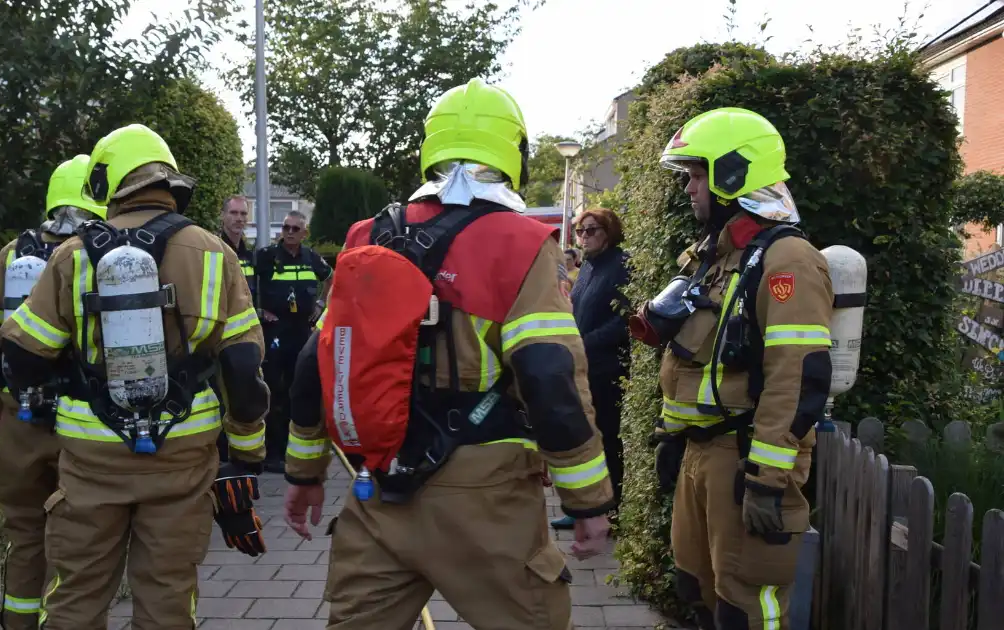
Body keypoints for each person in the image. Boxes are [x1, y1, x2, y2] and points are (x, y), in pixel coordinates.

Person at [282, 78, 615, 630]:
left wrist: (302, 472)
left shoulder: (369, 235)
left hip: (378, 489)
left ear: (430, 149)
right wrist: (588, 501)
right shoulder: (522, 242)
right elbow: (550, 375)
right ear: (515, 153)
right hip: (485, 497)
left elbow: (314, 362)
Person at [0, 124, 271, 630]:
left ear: (106, 183)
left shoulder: (72, 254)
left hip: (90, 463)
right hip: (182, 463)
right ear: (168, 182)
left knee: (75, 599)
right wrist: (247, 454)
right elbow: (243, 369)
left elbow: (21, 353)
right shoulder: (214, 253)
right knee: (168, 601)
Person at [630, 107, 833, 630]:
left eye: (697, 175)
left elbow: (797, 375)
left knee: (749, 607)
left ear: (733, 175)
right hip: (702, 454)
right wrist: (674, 436)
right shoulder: (719, 257)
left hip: (743, 458)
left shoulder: (787, 259)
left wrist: (766, 478)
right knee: (694, 588)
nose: (688, 189)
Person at [0, 154, 105, 629]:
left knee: (25, 535)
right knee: (78, 540)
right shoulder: (103, 253)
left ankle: (18, 623)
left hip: (20, 416)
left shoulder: (13, 253)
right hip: (82, 423)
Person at [551, 208, 631, 531]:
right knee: (586, 438)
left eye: (591, 230)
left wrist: (586, 342)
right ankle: (587, 509)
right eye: (580, 231)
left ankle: (611, 510)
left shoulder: (621, 266)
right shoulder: (586, 269)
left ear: (609, 232)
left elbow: (624, 321)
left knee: (607, 439)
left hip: (606, 369)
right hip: (582, 367)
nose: (583, 236)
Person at [254, 210, 332, 472]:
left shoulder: (311, 258)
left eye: (295, 229)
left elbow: (332, 277)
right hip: (275, 331)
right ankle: (272, 452)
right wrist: (259, 310)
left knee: (298, 389)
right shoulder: (267, 256)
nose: (289, 232)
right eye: (286, 227)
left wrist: (321, 303)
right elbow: (247, 283)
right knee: (274, 390)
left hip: (301, 331)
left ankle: (294, 447)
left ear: (304, 233)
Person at [216, 195, 258, 463]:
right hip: (219, 339)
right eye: (234, 213)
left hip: (245, 338)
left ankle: (242, 456)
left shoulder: (252, 253)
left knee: (245, 398)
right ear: (223, 216)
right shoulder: (213, 247)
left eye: (243, 214)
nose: (239, 219)